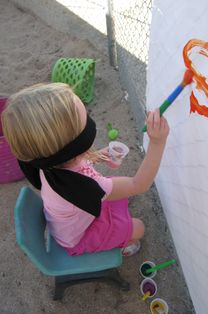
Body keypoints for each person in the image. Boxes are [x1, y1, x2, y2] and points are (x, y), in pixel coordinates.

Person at [2, 83, 169, 256]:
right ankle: (123, 245)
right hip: (77, 238)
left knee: (118, 193)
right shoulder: (83, 185)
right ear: (74, 147)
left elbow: (76, 161)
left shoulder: (46, 162)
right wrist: (157, 142)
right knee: (139, 228)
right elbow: (138, 185)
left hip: (68, 221)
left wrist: (99, 156)